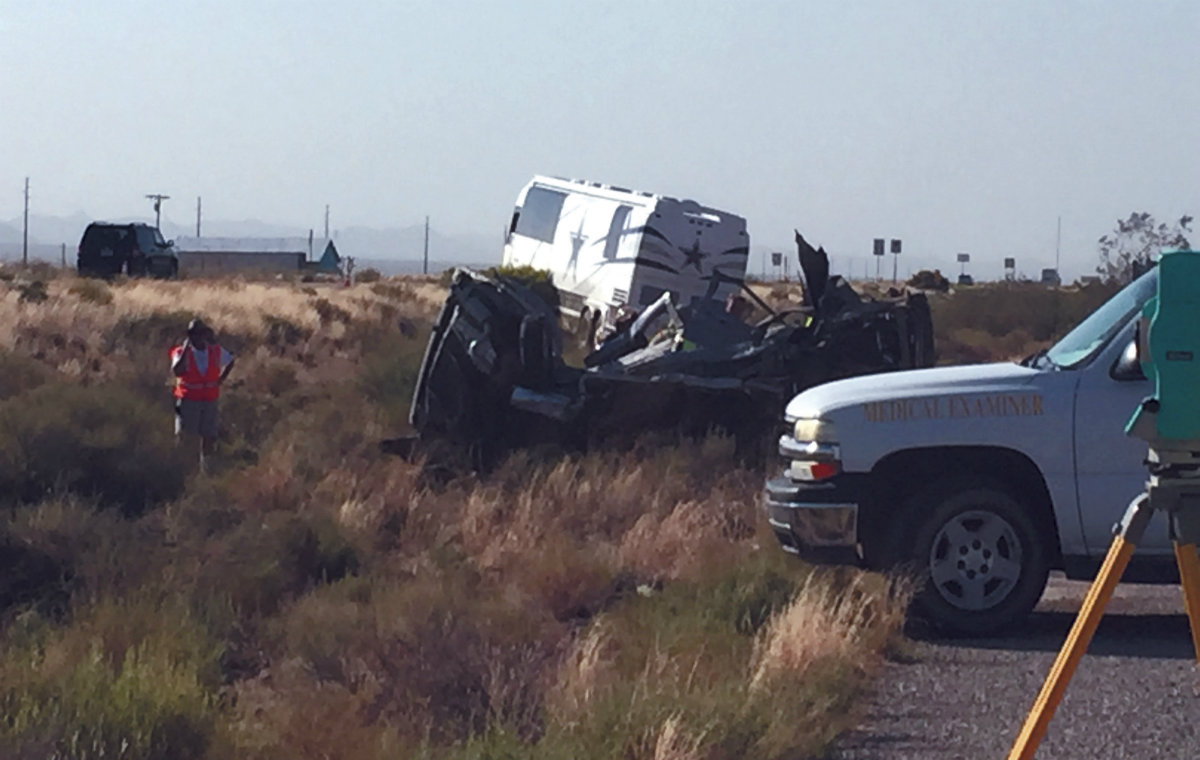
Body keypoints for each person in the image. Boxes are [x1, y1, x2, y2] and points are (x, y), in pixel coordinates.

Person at [170, 318, 235, 471]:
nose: (196, 337)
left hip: (210, 401)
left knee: (209, 436)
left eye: (199, 333)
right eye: (192, 334)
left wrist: (221, 380)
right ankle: (183, 469)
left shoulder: (215, 351)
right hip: (189, 401)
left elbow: (230, 361)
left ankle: (206, 470)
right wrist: (186, 349)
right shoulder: (180, 352)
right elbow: (177, 371)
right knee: (186, 438)